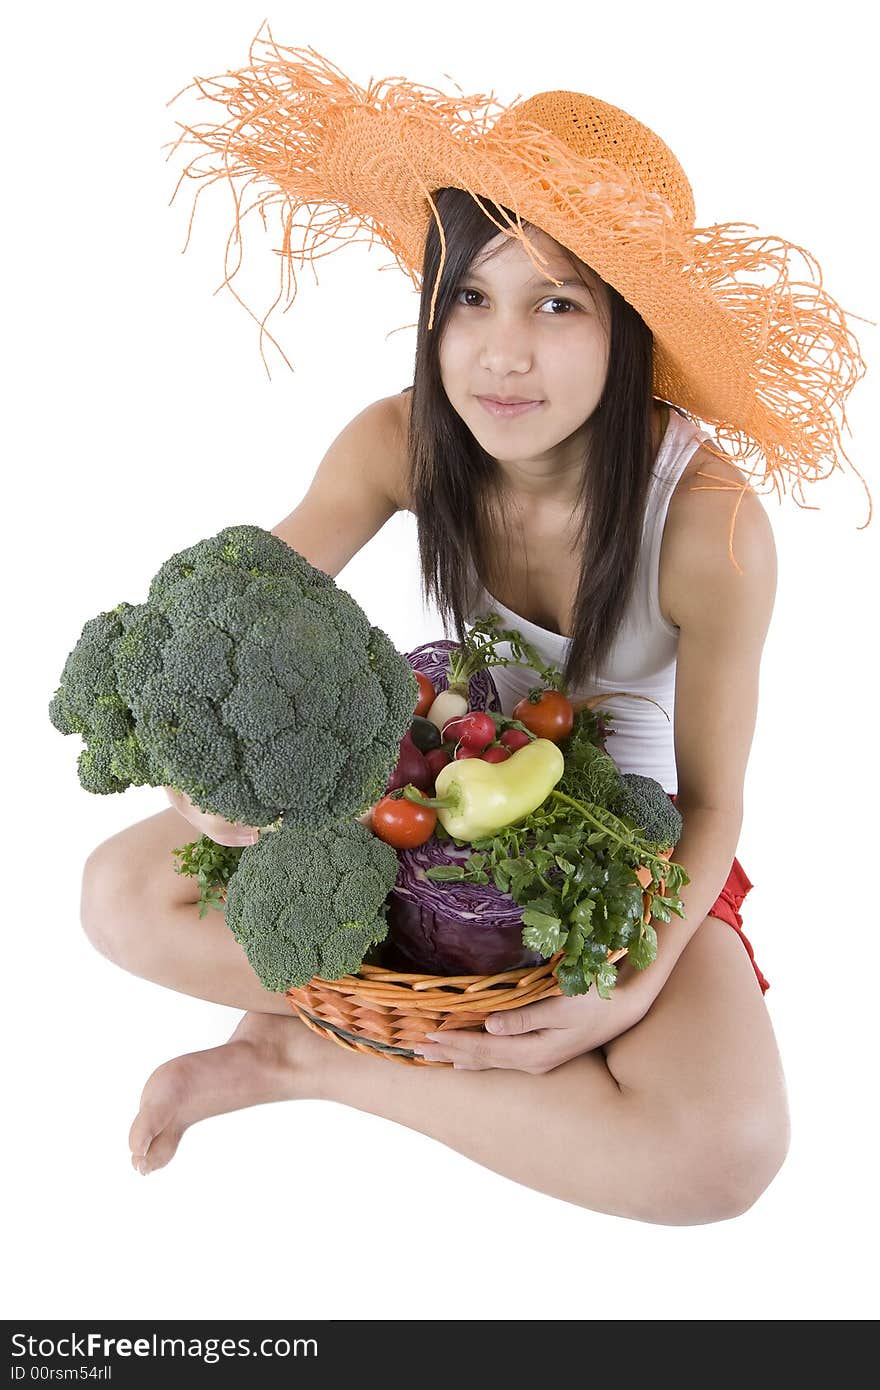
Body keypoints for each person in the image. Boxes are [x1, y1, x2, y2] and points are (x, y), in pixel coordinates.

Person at [80, 34, 871, 1223]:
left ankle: (308, 1053)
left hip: (624, 858)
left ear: (630, 328)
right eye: (471, 296)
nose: (502, 352)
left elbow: (708, 808)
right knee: (121, 894)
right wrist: (208, 785)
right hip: (423, 803)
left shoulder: (711, 527)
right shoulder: (394, 441)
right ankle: (410, 1043)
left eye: (558, 300)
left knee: (723, 1153)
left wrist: (626, 987)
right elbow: (236, 614)